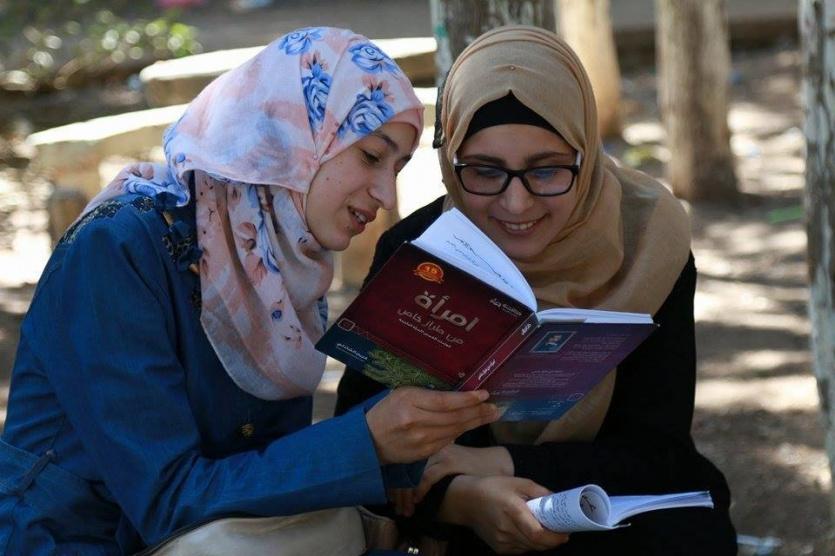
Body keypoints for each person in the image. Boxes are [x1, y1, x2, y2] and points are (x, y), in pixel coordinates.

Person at [0, 27, 499, 555]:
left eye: (398, 168)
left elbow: (260, 469)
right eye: (372, 156)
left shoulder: (281, 258)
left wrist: (411, 438)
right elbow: (166, 500)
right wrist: (367, 440)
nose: (386, 196)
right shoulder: (120, 248)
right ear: (293, 136)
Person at [335, 25, 738, 555]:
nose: (517, 204)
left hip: (592, 491)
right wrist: (464, 500)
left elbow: (656, 447)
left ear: (585, 154)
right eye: (485, 171)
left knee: (696, 526)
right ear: (451, 161)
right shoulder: (418, 251)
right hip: (456, 510)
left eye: (546, 171)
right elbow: (357, 444)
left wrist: (501, 462)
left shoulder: (648, 245)